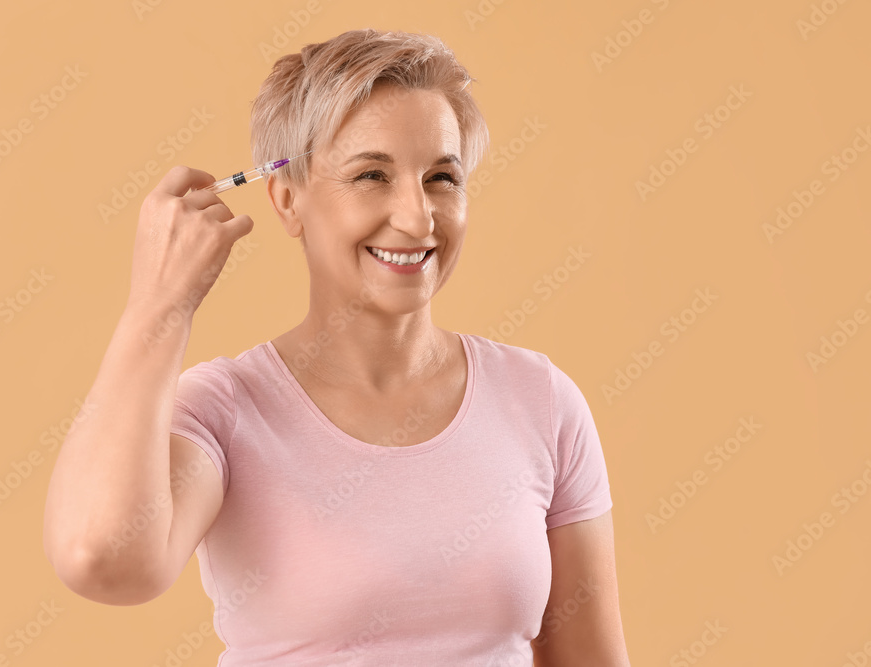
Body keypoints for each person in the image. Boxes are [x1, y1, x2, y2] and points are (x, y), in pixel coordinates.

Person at [42, 28, 630, 666]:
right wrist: (158, 307)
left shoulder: (539, 401)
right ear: (288, 200)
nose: (417, 216)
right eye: (371, 174)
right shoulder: (226, 410)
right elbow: (101, 560)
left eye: (441, 177)